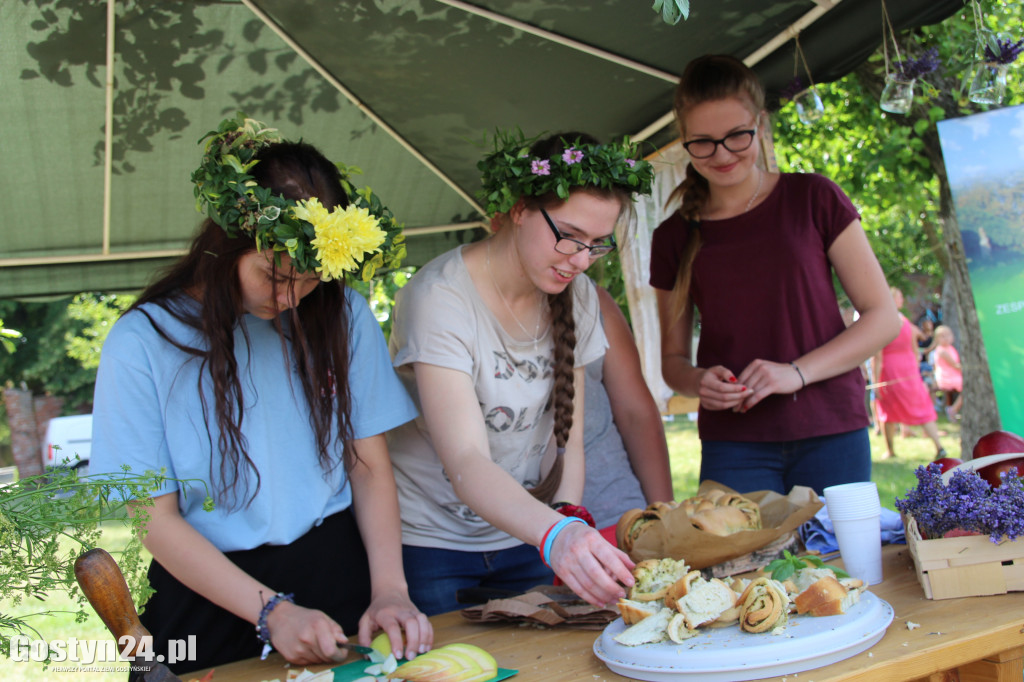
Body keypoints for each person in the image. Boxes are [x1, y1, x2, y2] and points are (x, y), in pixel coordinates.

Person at [90, 115, 431, 673]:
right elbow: (153, 518)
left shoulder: (342, 314)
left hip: (336, 575)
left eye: (311, 278)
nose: (294, 298)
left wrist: (390, 588)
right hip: (205, 590)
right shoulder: (142, 341)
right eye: (276, 275)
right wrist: (270, 611)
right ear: (227, 245)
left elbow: (368, 466)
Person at [386, 130, 655, 615]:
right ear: (519, 210)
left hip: (527, 534)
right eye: (569, 235)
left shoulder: (581, 296)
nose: (580, 260)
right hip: (434, 543)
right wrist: (557, 533)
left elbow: (567, 441)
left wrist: (567, 521)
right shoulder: (438, 298)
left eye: (597, 244)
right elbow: (466, 461)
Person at [649, 55, 900, 496]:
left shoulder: (814, 197)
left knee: (840, 565)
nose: (722, 154)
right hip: (734, 443)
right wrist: (697, 382)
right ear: (683, 141)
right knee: (741, 567)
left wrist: (795, 373)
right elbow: (673, 364)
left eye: (736, 136)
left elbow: (882, 317)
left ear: (761, 124)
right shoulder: (672, 236)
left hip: (831, 428)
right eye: (703, 142)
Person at [583, 286, 675, 544]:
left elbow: (637, 416)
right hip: (488, 530)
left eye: (596, 243)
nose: (582, 258)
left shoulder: (593, 301)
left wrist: (665, 517)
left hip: (611, 514)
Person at [872, 288, 947, 459]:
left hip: (891, 372)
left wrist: (876, 383)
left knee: (887, 411)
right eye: (899, 296)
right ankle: (938, 445)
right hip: (909, 371)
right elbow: (916, 348)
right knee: (922, 407)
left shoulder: (882, 322)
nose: (902, 299)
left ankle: (890, 450)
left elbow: (878, 357)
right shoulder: (905, 323)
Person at [933, 324, 963, 421]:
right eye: (942, 336)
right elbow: (955, 365)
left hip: (954, 374)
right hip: (946, 377)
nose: (946, 338)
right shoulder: (941, 351)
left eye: (948, 335)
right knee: (968, 386)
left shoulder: (951, 348)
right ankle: (953, 409)